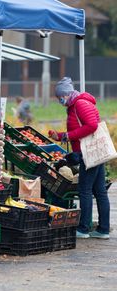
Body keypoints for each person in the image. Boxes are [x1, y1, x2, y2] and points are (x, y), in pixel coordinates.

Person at [48, 77, 110, 239]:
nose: (59, 100)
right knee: (99, 191)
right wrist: (61, 136)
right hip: (94, 151)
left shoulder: (80, 104)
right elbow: (80, 127)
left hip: (88, 152)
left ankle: (83, 228)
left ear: (66, 94)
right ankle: (103, 229)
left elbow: (92, 125)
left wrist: (67, 136)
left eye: (59, 96)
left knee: (85, 190)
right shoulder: (76, 104)